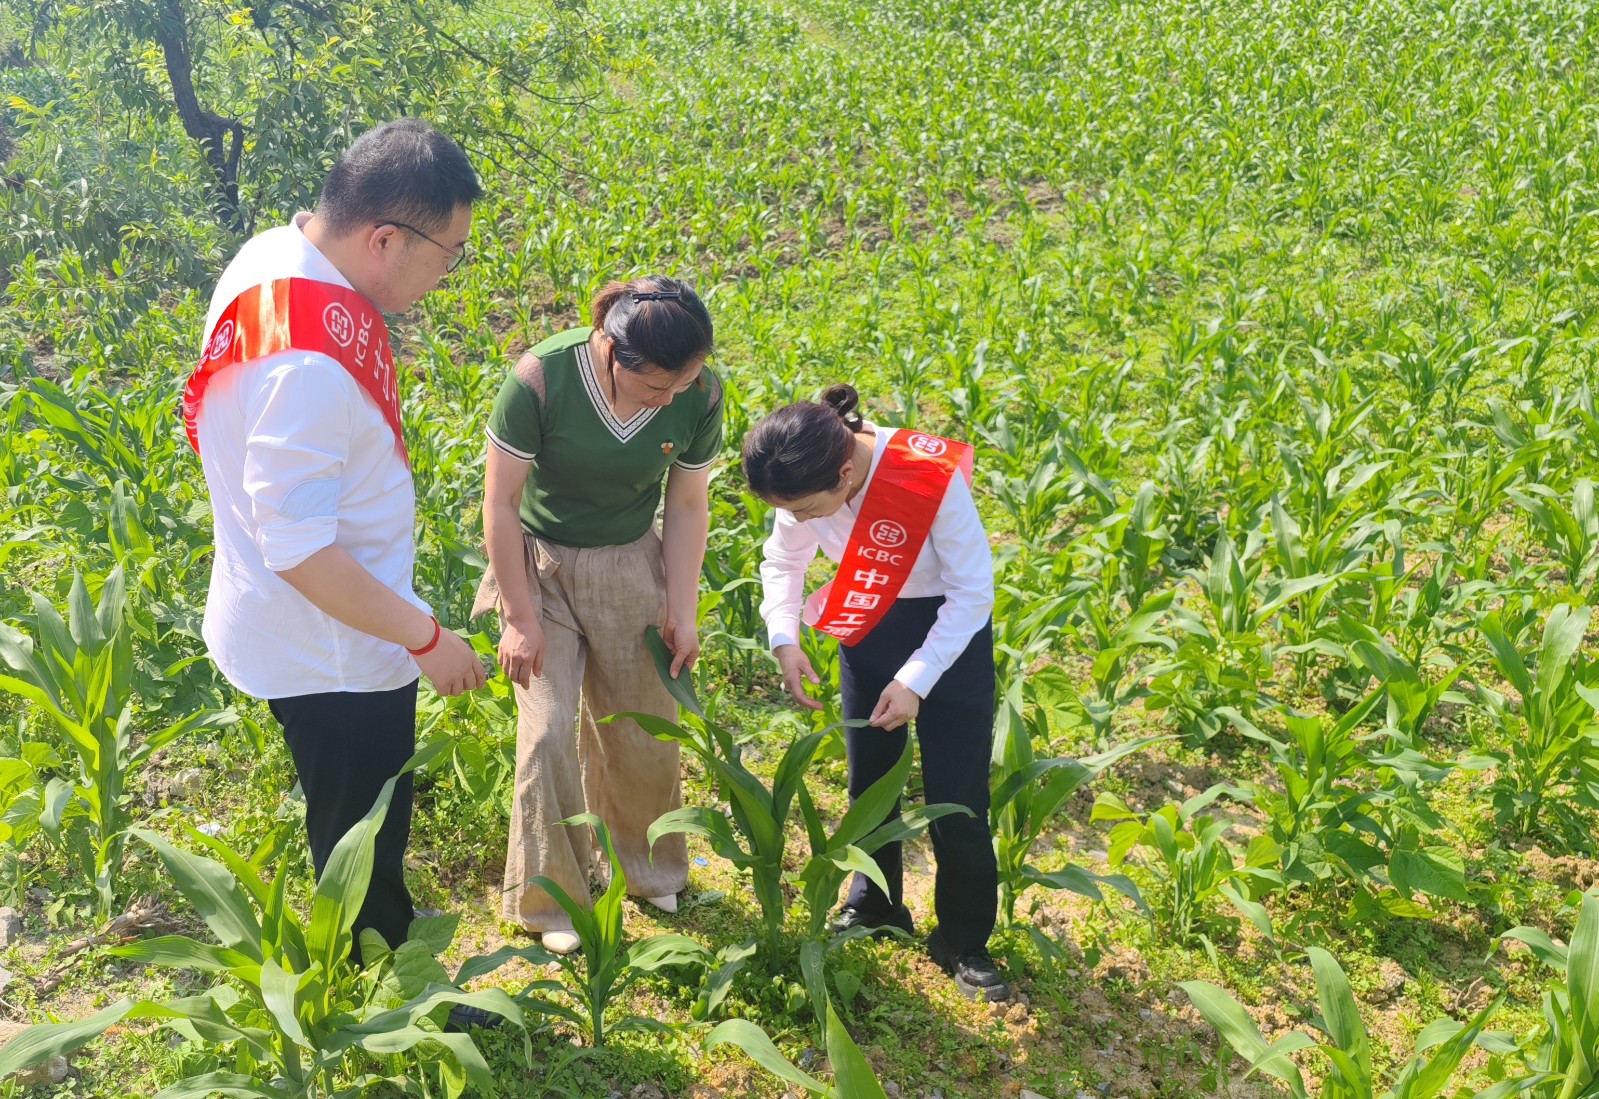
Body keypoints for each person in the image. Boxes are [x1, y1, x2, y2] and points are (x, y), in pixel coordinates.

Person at [185, 119, 488, 970]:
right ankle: (378, 976)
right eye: (449, 252)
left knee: (353, 805)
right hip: (337, 644)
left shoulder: (273, 257)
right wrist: (425, 635)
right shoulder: (307, 367)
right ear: (384, 237)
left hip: (322, 615)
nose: (448, 272)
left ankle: (371, 922)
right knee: (362, 814)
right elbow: (304, 552)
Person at [476, 276, 721, 954]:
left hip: (629, 560)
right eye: (655, 388)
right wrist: (519, 617)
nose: (669, 399)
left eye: (681, 385)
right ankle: (551, 895)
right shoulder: (541, 380)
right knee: (548, 729)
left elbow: (689, 505)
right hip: (541, 565)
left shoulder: (697, 392)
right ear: (611, 351)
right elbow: (498, 504)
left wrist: (681, 606)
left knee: (645, 722)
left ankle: (646, 868)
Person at [742, 385, 1009, 1002]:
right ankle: (876, 906)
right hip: (869, 624)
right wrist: (784, 637)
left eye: (810, 510)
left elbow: (973, 592)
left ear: (845, 470)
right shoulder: (800, 477)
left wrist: (916, 680)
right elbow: (783, 562)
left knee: (958, 795)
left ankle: (964, 940)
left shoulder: (924, 475)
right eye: (794, 512)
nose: (803, 521)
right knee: (870, 781)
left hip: (951, 635)